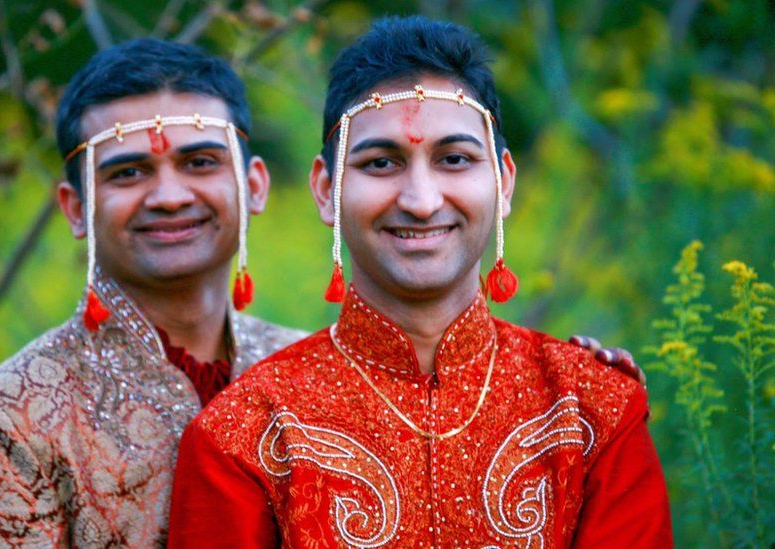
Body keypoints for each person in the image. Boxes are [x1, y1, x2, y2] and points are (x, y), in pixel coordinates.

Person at [168, 17, 672, 548]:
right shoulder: (244, 434)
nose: (421, 200)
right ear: (324, 190)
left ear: (502, 183)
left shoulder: (592, 410)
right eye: (382, 162)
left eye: (454, 159)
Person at [0, 39, 306, 547]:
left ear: (254, 185)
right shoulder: (4, 422)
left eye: (200, 163)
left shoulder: (321, 379)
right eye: (128, 173)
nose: (170, 197)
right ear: (75, 208)